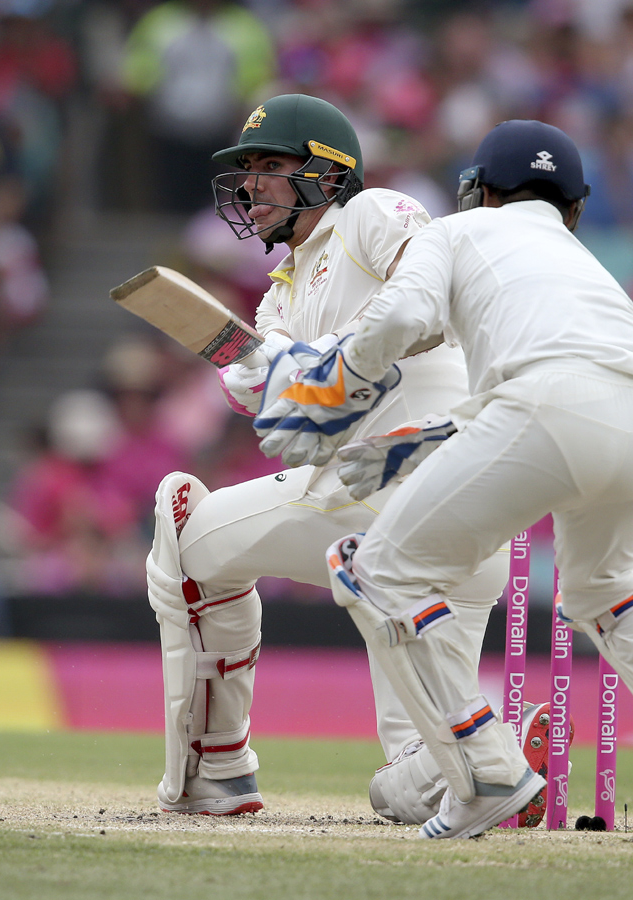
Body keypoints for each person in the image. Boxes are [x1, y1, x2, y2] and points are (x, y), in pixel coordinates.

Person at [253, 119, 633, 838]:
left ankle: (487, 771)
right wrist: (425, 440)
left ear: (477, 192)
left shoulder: (458, 232)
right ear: (575, 208)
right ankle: (487, 766)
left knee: (374, 571)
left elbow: (404, 312)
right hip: (624, 418)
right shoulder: (584, 264)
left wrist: (325, 390)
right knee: (602, 592)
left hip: (544, 408)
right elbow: (564, 380)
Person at [146, 93, 515, 824]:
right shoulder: (279, 298)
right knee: (411, 785)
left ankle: (215, 770)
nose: (249, 185)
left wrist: (321, 367)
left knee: (181, 534)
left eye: (270, 166)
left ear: (326, 172)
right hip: (462, 534)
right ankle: (495, 754)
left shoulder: (372, 215)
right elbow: (274, 397)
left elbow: (431, 300)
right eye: (245, 170)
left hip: (386, 492)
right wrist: (261, 377)